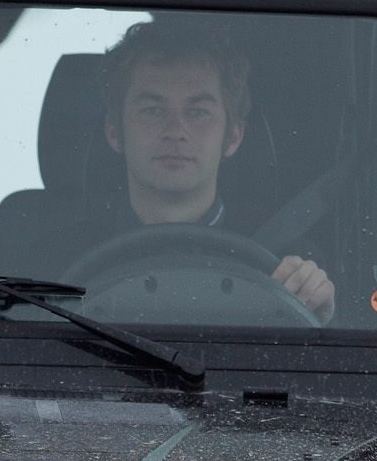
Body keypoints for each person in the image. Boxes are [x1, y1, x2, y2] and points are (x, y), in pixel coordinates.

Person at [99, 18, 335, 322]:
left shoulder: (287, 270)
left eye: (198, 112)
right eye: (153, 110)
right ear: (114, 131)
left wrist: (322, 320)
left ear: (233, 136)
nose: (175, 131)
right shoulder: (56, 260)